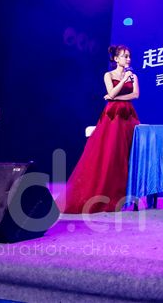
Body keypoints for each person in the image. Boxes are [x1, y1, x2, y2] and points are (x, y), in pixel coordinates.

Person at [62, 45, 140, 214]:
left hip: (128, 115)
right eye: (124, 56)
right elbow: (111, 93)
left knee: (127, 154)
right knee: (110, 153)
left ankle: (126, 195)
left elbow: (135, 95)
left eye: (129, 56)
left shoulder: (133, 76)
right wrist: (122, 83)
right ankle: (105, 195)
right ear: (116, 59)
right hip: (113, 116)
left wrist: (116, 96)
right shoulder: (108, 75)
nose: (128, 59)